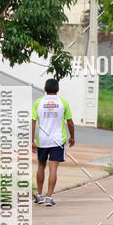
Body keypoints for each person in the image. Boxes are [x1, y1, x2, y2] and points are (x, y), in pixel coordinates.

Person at [31, 78, 75, 206]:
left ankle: (39, 195)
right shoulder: (63, 103)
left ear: (44, 89)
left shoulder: (38, 102)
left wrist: (31, 140)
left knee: (41, 166)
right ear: (58, 90)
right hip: (57, 140)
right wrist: (72, 136)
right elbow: (70, 122)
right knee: (53, 169)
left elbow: (33, 121)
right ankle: (49, 197)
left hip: (42, 140)